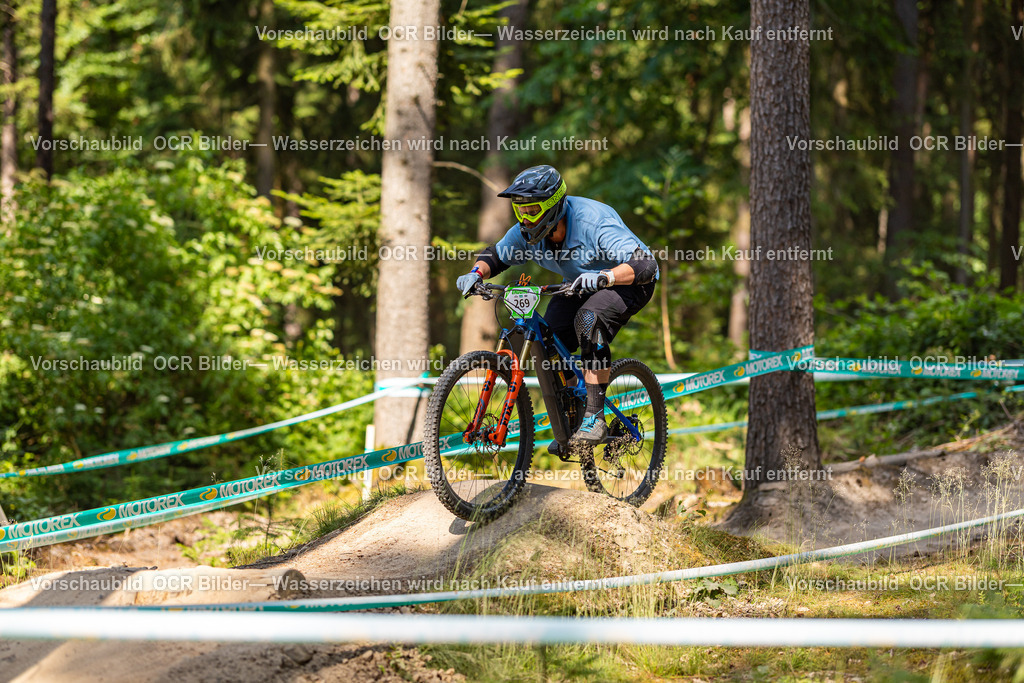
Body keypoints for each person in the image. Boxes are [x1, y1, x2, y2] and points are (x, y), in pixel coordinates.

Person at [456, 165, 659, 448]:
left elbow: (646, 264)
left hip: (628, 281)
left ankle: (594, 417)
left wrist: (606, 276)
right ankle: (571, 421)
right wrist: (475, 273)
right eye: (520, 211)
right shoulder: (525, 232)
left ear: (553, 207)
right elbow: (497, 256)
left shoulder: (593, 221)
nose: (525, 218)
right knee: (547, 341)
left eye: (532, 211)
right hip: (578, 284)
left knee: (589, 320)